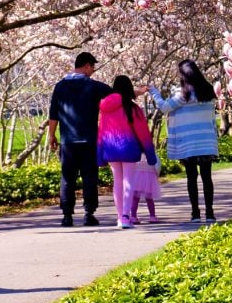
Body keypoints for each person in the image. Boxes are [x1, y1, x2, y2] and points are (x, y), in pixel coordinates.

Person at [149, 59, 220, 223]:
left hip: (189, 143)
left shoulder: (184, 95)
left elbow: (165, 107)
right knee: (207, 177)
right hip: (206, 142)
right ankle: (210, 213)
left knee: (191, 177)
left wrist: (154, 92)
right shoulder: (208, 92)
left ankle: (195, 213)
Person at [47, 52, 112, 227]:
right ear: (86, 66)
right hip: (89, 140)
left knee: (67, 178)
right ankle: (88, 214)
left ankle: (67, 216)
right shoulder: (94, 86)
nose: (93, 71)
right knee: (89, 177)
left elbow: (53, 115)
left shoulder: (60, 87)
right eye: (92, 67)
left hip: (68, 142)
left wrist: (52, 135)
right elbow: (116, 95)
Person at [96, 75, 157, 229]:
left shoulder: (105, 108)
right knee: (128, 181)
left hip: (111, 148)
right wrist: (150, 155)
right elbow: (143, 133)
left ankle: (119, 217)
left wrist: (100, 154)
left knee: (117, 181)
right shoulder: (132, 108)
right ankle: (125, 216)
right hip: (129, 148)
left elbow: (101, 131)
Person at [128, 152, 162, 224]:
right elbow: (157, 166)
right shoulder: (152, 154)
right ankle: (152, 216)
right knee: (149, 198)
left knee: (135, 198)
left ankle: (133, 216)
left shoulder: (135, 154)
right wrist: (156, 175)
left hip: (136, 177)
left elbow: (130, 166)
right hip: (149, 178)